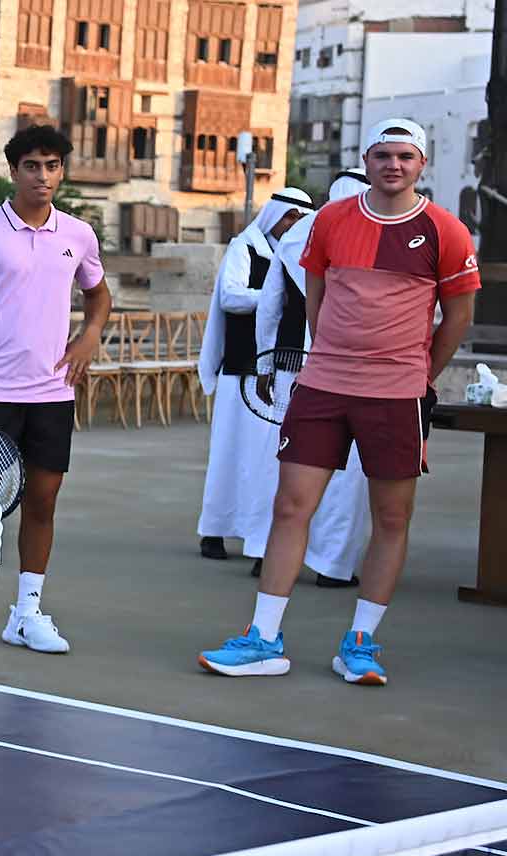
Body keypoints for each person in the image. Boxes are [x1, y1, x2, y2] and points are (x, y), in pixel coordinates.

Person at [198, 120, 478, 685]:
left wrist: (419, 374)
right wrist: (331, 357)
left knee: (391, 518)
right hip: (323, 387)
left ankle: (360, 643)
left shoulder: (446, 231)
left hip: (397, 397)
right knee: (289, 508)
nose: (393, 165)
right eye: (382, 155)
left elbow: (459, 319)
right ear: (367, 160)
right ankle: (263, 640)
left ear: (420, 164)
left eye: (404, 156)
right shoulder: (330, 220)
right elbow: (317, 295)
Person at [0, 125, 110, 655]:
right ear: (13, 170)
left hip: (53, 394)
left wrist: (88, 338)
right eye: (33, 166)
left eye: (53, 165)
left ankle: (27, 613)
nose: (43, 176)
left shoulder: (78, 235)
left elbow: (99, 295)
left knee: (42, 501)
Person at [247, 169, 376, 587]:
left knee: (287, 462)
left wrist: (264, 365)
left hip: (292, 368)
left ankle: (268, 551)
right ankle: (333, 566)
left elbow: (270, 307)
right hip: (355, 372)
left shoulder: (294, 236)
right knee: (348, 472)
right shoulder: (376, 236)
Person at [194, 187, 314, 561]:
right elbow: (229, 295)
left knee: (263, 462)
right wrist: (272, 297)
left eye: (300, 218)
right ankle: (213, 531)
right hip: (241, 367)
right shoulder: (245, 246)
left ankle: (255, 534)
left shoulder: (296, 256)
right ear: (274, 214)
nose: (293, 224)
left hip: (277, 370)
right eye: (290, 216)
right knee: (230, 453)